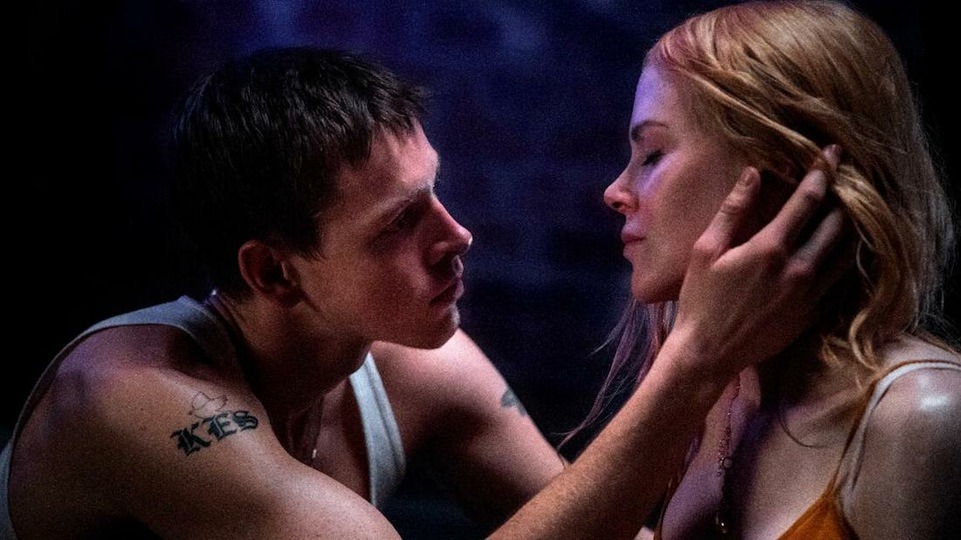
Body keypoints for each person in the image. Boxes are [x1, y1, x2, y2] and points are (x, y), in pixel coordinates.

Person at [1, 45, 843, 539]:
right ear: (273, 273)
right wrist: (693, 360)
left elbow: (600, 527)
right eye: (399, 223)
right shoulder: (133, 395)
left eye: (434, 193)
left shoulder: (415, 365)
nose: (457, 235)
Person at [591, 1, 960, 538]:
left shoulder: (920, 417)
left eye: (651, 155)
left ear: (780, 168)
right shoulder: (725, 394)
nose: (615, 192)